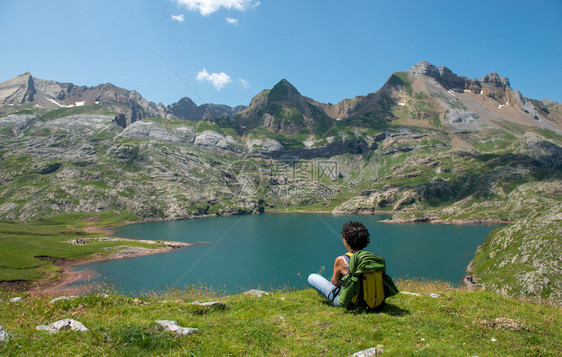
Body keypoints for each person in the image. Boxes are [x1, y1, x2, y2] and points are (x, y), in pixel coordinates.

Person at [308, 221, 372, 307]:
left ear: (346, 240)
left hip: (350, 303)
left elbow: (334, 284)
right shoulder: (370, 258)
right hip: (373, 302)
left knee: (312, 277)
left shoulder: (342, 260)